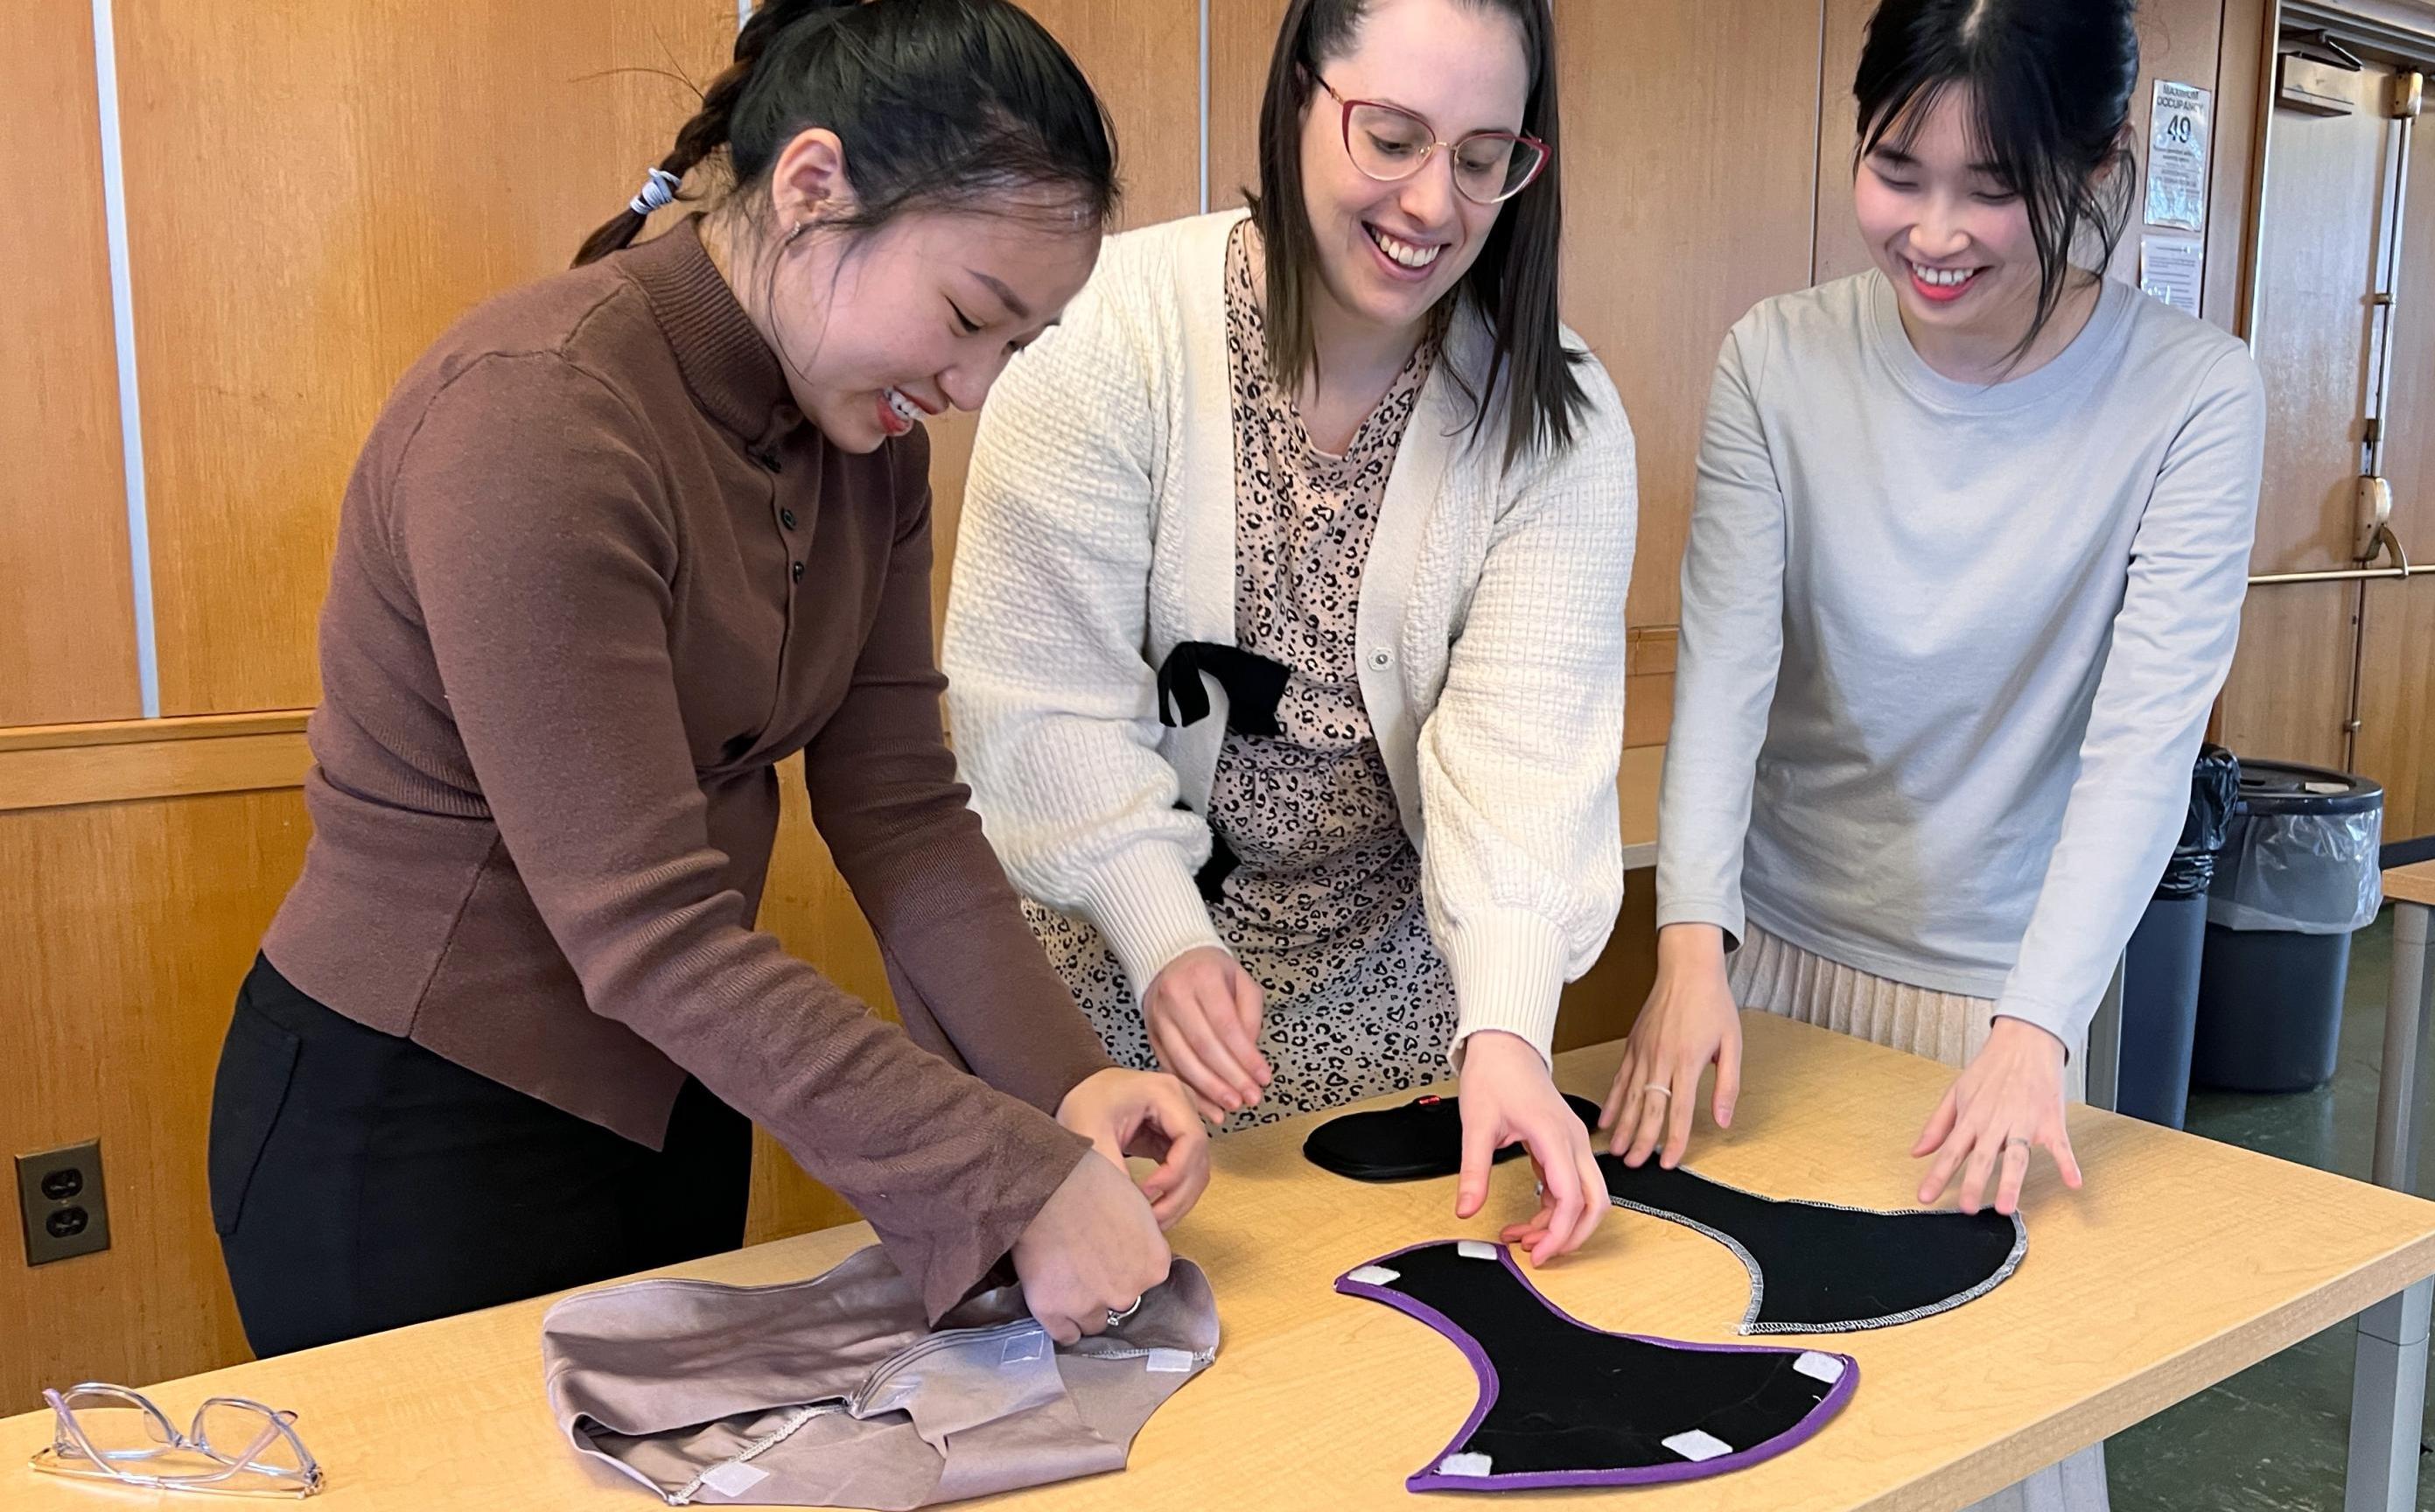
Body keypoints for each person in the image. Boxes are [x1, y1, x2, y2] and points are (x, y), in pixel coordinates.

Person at [207, 0, 1204, 1358]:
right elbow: (650, 928)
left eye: (1015, 348)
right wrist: (1004, 1174)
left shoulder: (870, 449)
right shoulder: (538, 414)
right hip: (413, 1127)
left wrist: (1068, 1084)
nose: (972, 384)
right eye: (970, 315)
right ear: (810, 185)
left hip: (679, 1093)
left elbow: (904, 809)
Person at [1611, 0, 2262, 1500]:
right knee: (1734, 1408)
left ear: (2098, 161)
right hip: (1764, 964)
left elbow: (2141, 748)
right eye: (1900, 170)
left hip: (2003, 999)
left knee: (1989, 1432)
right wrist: (1692, 944)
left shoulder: (2192, 394)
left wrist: (2037, 1031)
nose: (1938, 232)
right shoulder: (1778, 356)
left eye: (1996, 184)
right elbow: (1725, 672)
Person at [944, 0, 1638, 1264]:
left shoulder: (1559, 421)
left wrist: (1510, 1033)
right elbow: (1039, 704)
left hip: (1397, 1002)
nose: (1432, 205)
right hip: (1105, 974)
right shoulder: (1104, 332)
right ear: (1300, 97)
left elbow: (1526, 764)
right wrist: (1163, 936)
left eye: (1482, 161)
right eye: (1390, 138)